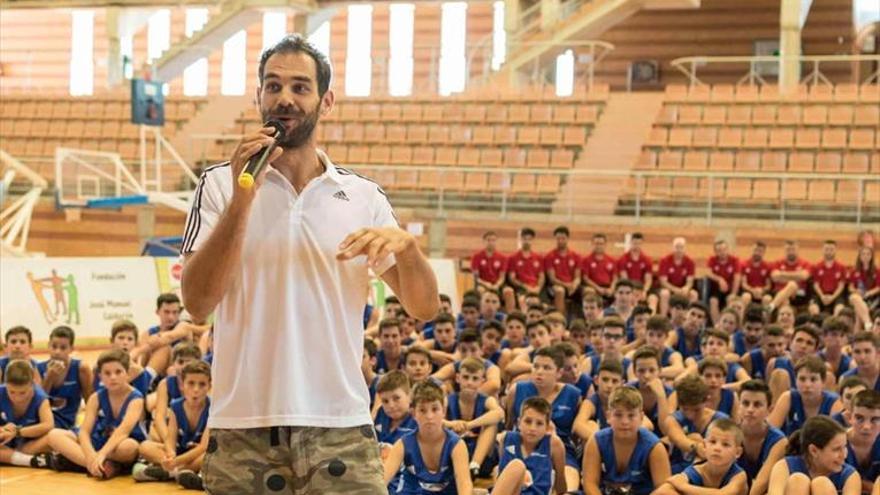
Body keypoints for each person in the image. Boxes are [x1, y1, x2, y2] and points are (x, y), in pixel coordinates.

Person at [180, 34, 438, 493]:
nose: (285, 98)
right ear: (258, 96)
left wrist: (411, 251)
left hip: (341, 426)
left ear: (326, 101)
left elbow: (424, 307)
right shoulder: (218, 185)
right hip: (244, 430)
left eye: (300, 87)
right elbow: (198, 303)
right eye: (273, 85)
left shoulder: (363, 196)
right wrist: (243, 200)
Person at [46, 349, 147, 479]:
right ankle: (97, 466)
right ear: (100, 376)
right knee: (54, 435)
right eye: (107, 373)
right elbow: (84, 432)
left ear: (127, 373)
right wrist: (90, 456)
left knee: (129, 447)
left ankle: (79, 463)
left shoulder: (136, 399)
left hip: (118, 444)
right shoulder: (96, 397)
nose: (113, 377)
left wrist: (102, 454)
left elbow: (122, 432)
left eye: (118, 372)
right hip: (98, 440)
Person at [507, 346, 582, 489]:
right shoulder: (516, 390)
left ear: (559, 372)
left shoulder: (573, 395)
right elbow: (509, 424)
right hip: (523, 447)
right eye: (536, 366)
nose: (539, 372)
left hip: (562, 450)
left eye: (547, 367)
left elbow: (576, 436)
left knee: (570, 487)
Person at [382, 381, 472, 494]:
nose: (429, 416)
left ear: (443, 411)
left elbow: (465, 485)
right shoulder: (402, 444)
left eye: (435, 409)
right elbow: (382, 480)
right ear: (414, 413)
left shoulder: (456, 445)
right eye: (422, 410)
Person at [134, 361, 212, 491]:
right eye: (191, 383)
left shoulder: (213, 408)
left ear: (209, 386)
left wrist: (176, 462)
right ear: (182, 385)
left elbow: (203, 446)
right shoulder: (176, 406)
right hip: (180, 452)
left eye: (202, 384)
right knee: (144, 446)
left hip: (198, 454)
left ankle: (169, 472)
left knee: (209, 456)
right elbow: (170, 439)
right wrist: (170, 455)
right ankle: (178, 472)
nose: (196, 389)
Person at [582, 386, 671, 495]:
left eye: (631, 415)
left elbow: (664, 490)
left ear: (641, 417)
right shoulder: (596, 441)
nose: (625, 421)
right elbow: (590, 483)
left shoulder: (654, 447)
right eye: (618, 415)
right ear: (608, 416)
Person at [443, 357, 504, 479]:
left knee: (491, 423)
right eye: (466, 377)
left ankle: (474, 466)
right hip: (453, 455)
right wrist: (451, 424)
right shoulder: (447, 399)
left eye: (475, 378)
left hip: (482, 459)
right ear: (458, 378)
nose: (469, 382)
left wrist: (469, 425)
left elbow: (500, 413)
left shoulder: (487, 400)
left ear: (482, 381)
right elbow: (435, 419)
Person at [768, 416, 860, 495]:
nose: (844, 455)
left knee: (822, 484)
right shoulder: (784, 467)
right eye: (836, 449)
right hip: (797, 481)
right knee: (798, 480)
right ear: (814, 451)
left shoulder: (849, 475)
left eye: (844, 447)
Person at [493, 397, 567, 495]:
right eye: (528, 421)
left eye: (539, 423)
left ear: (547, 427)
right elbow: (500, 475)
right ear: (519, 423)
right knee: (516, 466)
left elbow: (561, 485)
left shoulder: (554, 444)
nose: (532, 428)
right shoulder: (506, 438)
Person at [654, 418, 747, 495]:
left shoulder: (739, 476)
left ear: (738, 452)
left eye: (725, 444)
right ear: (704, 445)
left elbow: (722, 494)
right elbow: (662, 491)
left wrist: (683, 486)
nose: (717, 448)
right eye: (712, 442)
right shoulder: (697, 470)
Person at [666, 374, 730, 474]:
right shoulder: (673, 419)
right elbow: (679, 439)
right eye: (685, 409)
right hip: (678, 473)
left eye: (696, 410)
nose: (690, 415)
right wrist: (698, 447)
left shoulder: (721, 421)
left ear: (706, 401)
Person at [36, 325, 93, 430]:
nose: (57, 352)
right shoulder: (38, 368)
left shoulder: (81, 368)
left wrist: (87, 428)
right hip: (44, 424)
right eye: (54, 346)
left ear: (71, 349)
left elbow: (91, 402)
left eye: (63, 348)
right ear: (48, 346)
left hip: (68, 425)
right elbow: (37, 403)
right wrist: (49, 378)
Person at [737, 380, 788, 495]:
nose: (750, 410)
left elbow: (762, 483)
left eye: (757, 405)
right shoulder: (729, 434)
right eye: (745, 403)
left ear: (769, 410)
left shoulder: (779, 441)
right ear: (738, 405)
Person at [768, 356, 842, 435]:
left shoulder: (834, 402)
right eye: (802, 379)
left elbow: (836, 439)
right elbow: (770, 432)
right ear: (795, 381)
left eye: (813, 379)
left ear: (823, 382)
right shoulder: (788, 397)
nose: (807, 385)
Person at [0, 360, 53, 467]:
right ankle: (32, 461)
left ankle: (13, 457)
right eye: (11, 392)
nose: (17, 397)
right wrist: (3, 429)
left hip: (29, 444)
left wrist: (17, 432)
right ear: (5, 384)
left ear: (32, 384)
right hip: (4, 443)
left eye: (23, 392)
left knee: (54, 438)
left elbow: (48, 425)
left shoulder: (40, 398)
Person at [149, 342, 202, 442]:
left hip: (196, 430)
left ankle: (186, 455)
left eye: (189, 362)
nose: (184, 367)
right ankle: (175, 454)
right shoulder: (165, 384)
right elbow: (159, 418)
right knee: (151, 437)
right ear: (173, 363)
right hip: (174, 432)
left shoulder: (203, 383)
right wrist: (169, 442)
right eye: (180, 362)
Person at [628, 346, 675, 435]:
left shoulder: (671, 393)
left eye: (652, 370)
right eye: (641, 371)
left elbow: (666, 430)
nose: (647, 375)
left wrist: (661, 396)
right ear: (634, 372)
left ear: (660, 371)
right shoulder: (628, 391)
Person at [844, 390, 880, 495]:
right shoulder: (834, 443)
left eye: (875, 419)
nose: (866, 427)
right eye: (859, 418)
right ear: (849, 417)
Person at [544, 226, 581, 316]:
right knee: (560, 291)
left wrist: (574, 285)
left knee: (589, 292)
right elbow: (552, 279)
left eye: (563, 238)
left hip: (572, 286)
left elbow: (578, 277)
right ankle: (560, 320)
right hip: (556, 285)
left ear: (567, 238)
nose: (560, 241)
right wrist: (567, 285)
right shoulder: (550, 256)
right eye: (558, 238)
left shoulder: (576, 256)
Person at [658, 237, 698, 317]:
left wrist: (686, 288)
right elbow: (663, 282)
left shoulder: (690, 262)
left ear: (685, 248)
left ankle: (688, 318)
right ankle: (663, 318)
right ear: (672, 248)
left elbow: (690, 281)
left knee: (694, 294)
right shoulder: (665, 260)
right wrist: (675, 290)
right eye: (677, 247)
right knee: (664, 293)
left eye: (681, 247)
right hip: (669, 289)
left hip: (683, 289)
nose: (679, 250)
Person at [508, 227, 545, 312]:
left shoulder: (538, 257)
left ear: (532, 240)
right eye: (524, 239)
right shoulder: (513, 258)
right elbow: (512, 278)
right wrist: (525, 287)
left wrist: (538, 288)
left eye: (529, 239)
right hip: (522, 289)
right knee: (523, 301)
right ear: (520, 239)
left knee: (543, 305)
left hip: (536, 288)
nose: (527, 241)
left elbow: (541, 276)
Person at [617, 232, 657, 312]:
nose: (636, 246)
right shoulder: (623, 259)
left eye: (639, 244)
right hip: (629, 289)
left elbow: (648, 279)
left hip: (642, 289)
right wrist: (632, 292)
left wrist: (644, 291)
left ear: (641, 244)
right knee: (630, 298)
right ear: (631, 243)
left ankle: (651, 320)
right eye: (634, 243)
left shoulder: (647, 260)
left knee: (653, 299)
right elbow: (625, 279)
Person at [471, 231, 511, 306]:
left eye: (493, 240)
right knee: (480, 290)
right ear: (484, 241)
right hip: (483, 284)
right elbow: (476, 277)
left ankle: (510, 314)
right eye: (488, 240)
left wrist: (497, 285)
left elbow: (502, 277)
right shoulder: (476, 257)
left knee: (509, 291)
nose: (491, 242)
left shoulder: (502, 257)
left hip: (498, 284)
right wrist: (486, 284)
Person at [769, 240, 812, 311]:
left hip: (799, 293)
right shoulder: (777, 262)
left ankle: (770, 308)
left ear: (798, 250)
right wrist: (797, 276)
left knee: (792, 285)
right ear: (785, 250)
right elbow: (775, 277)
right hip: (778, 292)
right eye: (788, 250)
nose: (791, 252)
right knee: (785, 301)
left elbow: (804, 276)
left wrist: (782, 275)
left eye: (793, 249)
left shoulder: (805, 263)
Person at [707, 240, 742, 324]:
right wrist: (719, 279)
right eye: (719, 250)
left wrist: (733, 293)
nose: (722, 252)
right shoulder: (712, 260)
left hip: (731, 289)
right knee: (713, 301)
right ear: (715, 252)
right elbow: (708, 273)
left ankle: (732, 323)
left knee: (731, 300)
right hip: (717, 290)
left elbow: (737, 278)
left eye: (724, 249)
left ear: (727, 249)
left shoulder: (734, 260)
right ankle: (718, 325)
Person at [809, 240, 848, 316]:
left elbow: (841, 286)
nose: (829, 252)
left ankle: (834, 325)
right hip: (820, 294)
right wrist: (822, 296)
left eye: (831, 249)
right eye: (826, 249)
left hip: (836, 295)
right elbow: (816, 284)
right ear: (823, 250)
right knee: (813, 309)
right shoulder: (816, 266)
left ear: (835, 250)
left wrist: (832, 297)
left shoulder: (841, 267)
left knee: (840, 309)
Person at [581, 233, 618, 304]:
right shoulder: (586, 260)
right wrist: (598, 288)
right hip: (594, 287)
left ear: (605, 244)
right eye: (596, 243)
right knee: (589, 291)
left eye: (601, 244)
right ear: (592, 244)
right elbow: (585, 278)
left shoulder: (612, 260)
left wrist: (612, 289)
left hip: (608, 287)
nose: (599, 246)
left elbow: (615, 278)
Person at [848, 246, 878, 332]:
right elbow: (850, 287)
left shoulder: (876, 271)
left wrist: (869, 293)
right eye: (863, 254)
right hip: (857, 296)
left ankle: (861, 333)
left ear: (871, 256)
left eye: (868, 254)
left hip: (871, 297)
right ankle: (868, 323)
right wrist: (856, 291)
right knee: (854, 298)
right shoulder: (854, 270)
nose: (865, 256)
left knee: (858, 312)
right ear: (860, 256)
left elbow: (878, 287)